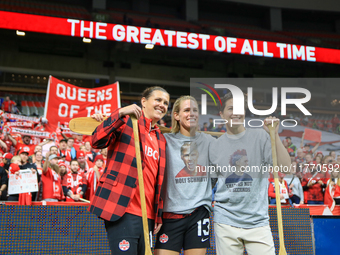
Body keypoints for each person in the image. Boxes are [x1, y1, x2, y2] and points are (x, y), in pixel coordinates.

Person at [88, 86, 169, 255]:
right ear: (143, 101)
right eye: (158, 100)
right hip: (123, 209)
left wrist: (158, 215)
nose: (162, 105)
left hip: (148, 215)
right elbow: (96, 141)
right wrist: (119, 113)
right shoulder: (125, 121)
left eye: (166, 103)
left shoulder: (161, 138)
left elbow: (159, 181)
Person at [209, 92, 291, 255]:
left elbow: (286, 167)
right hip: (225, 222)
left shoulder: (261, 136)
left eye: (239, 108)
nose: (236, 113)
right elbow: (209, 184)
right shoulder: (215, 146)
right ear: (221, 114)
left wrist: (274, 135)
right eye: (230, 108)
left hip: (258, 222)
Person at [155, 96, 215, 255]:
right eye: (187, 110)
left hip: (198, 214)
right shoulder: (164, 140)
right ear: (176, 115)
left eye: (195, 110)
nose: (192, 114)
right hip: (170, 214)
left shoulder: (209, 141)